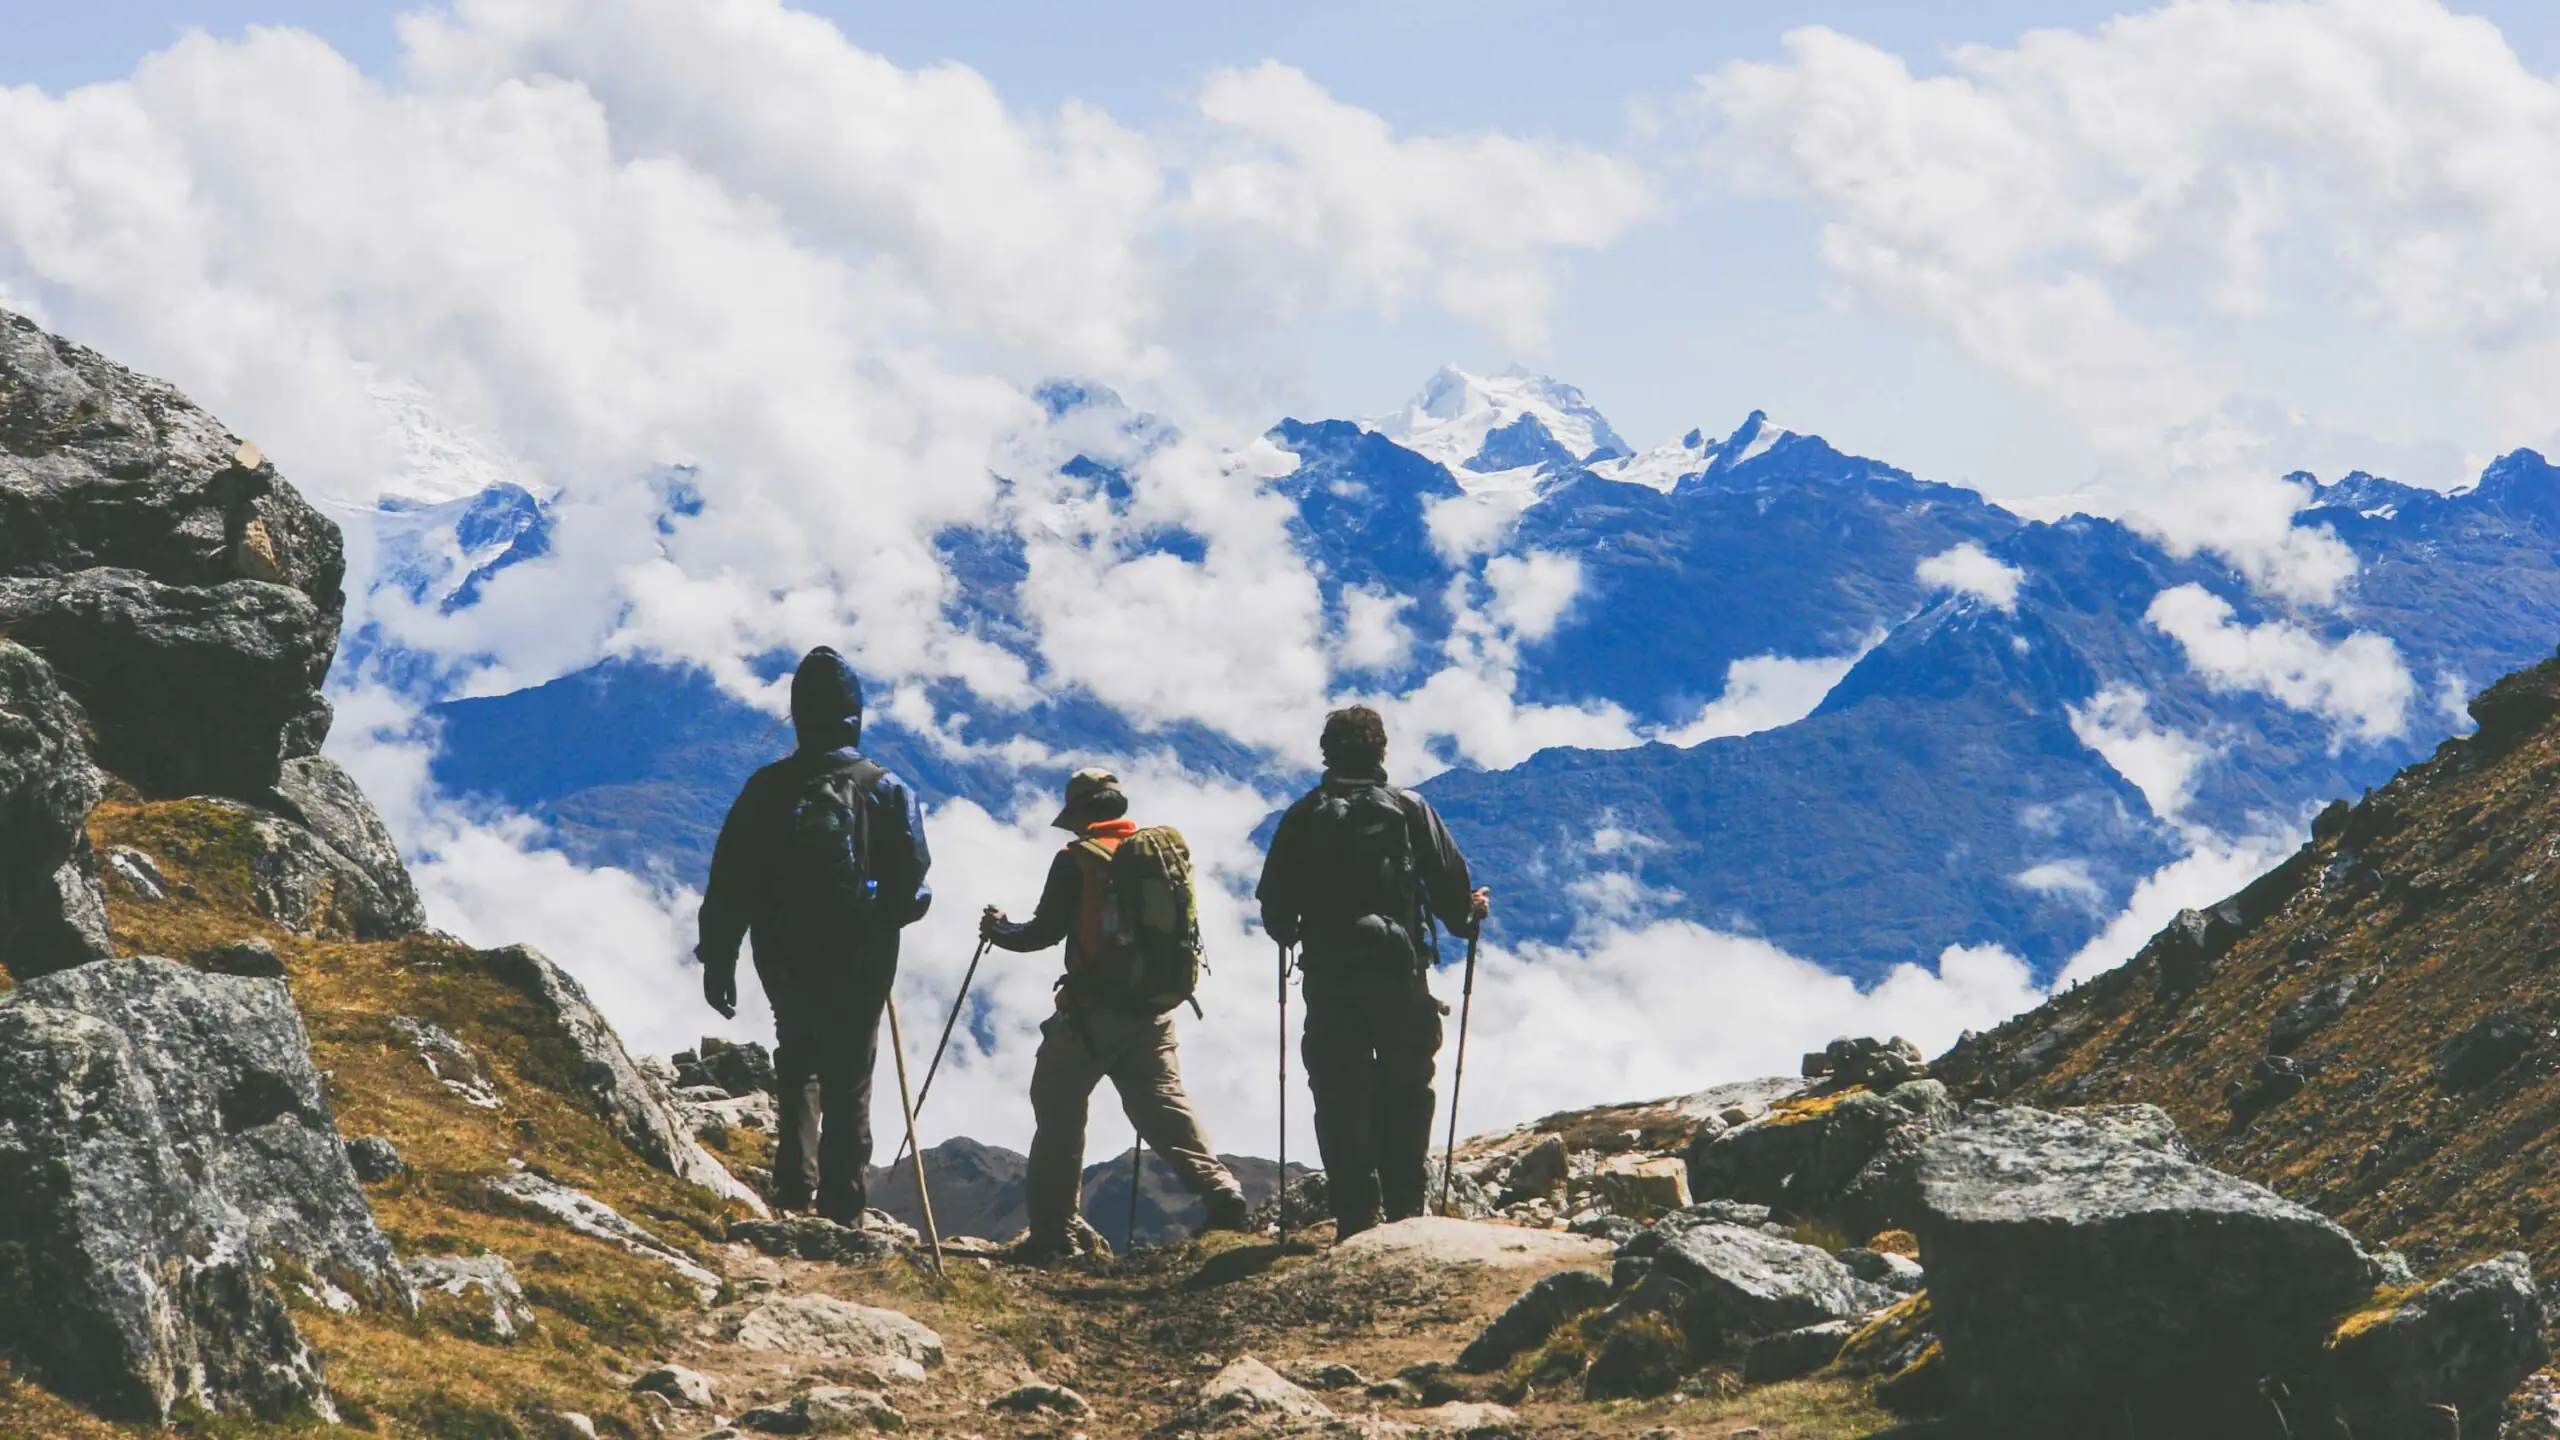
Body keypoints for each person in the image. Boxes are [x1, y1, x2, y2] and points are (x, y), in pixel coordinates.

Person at [696, 646, 932, 1225]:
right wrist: (886, 914)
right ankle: (843, 1207)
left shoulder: (766, 788)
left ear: (799, 715)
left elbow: (731, 879)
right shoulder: (886, 788)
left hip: (783, 953)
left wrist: (718, 959)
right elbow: (916, 888)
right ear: (855, 715)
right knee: (850, 1074)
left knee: (797, 1059)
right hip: (861, 956)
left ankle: (794, 1188)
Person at [980, 767, 1252, 1259]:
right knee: (1163, 1101)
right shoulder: (1158, 854)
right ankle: (1220, 1189)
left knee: (1059, 1111)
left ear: (1082, 814)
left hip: (1090, 1014)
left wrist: (999, 930)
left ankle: (1053, 1234)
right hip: (1153, 1011)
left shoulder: (1077, 860)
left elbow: (1041, 932)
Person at [1256, 705, 1488, 1240]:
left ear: (1326, 752)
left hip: (1329, 978)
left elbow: (1274, 911)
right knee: (1409, 1084)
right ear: (1381, 751)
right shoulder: (1409, 808)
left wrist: (1298, 932)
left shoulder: (1303, 814)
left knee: (1338, 1091)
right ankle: (1407, 1209)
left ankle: (1355, 1218)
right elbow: (1454, 894)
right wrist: (1471, 912)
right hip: (1399, 975)